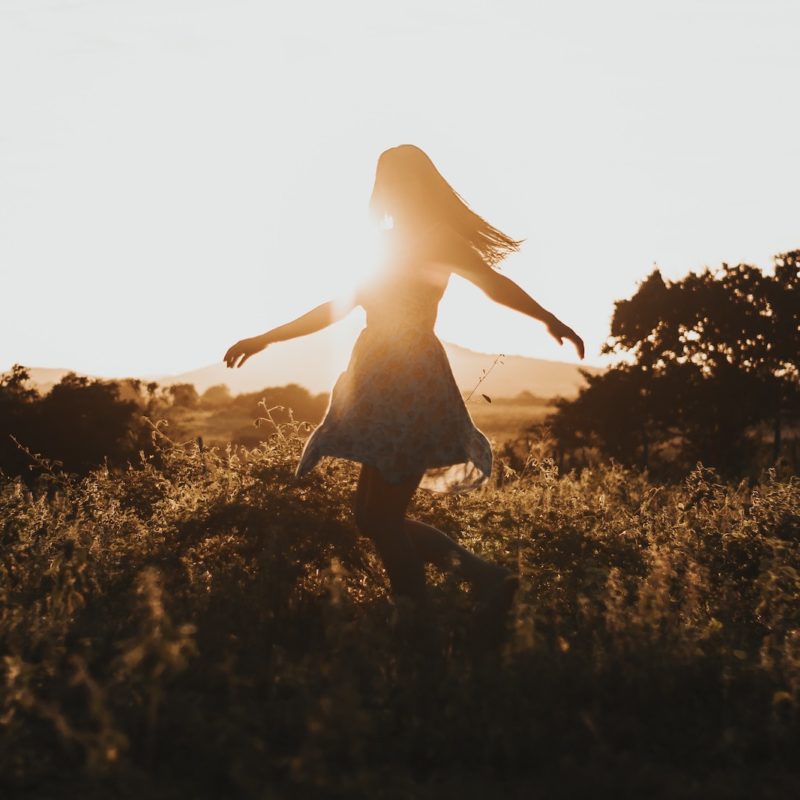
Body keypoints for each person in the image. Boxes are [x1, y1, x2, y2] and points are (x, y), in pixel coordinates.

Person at [224, 144, 584, 633]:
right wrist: (267, 338)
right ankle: (485, 578)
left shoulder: (439, 238)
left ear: (422, 185)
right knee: (371, 519)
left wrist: (549, 319)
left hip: (412, 383)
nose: (393, 191)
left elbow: (493, 285)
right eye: (387, 182)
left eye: (403, 181)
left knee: (385, 518)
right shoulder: (382, 244)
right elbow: (338, 304)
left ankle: (419, 626)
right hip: (375, 382)